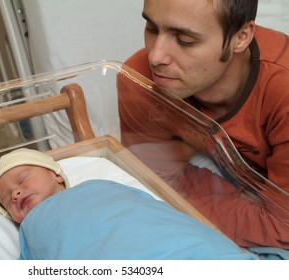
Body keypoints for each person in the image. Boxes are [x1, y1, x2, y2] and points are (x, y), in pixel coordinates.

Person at [117, 0, 289, 248]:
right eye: (152, 28)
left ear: (241, 37)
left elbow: (284, 226)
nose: (155, 56)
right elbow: (157, 178)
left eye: (185, 40)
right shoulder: (140, 79)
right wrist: (239, 203)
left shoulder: (281, 90)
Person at [0, 148, 255, 259]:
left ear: (56, 174)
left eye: (22, 179)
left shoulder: (97, 186)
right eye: (6, 200)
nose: (15, 194)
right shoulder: (31, 228)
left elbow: (152, 209)